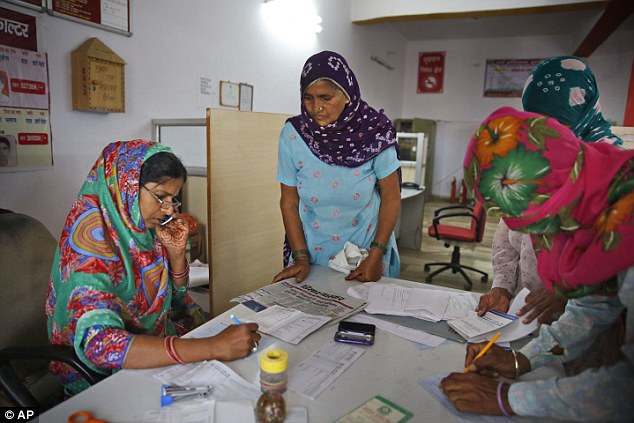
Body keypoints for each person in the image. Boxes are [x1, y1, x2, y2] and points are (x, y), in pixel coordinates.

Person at [441, 106, 634, 421]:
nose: (530, 237)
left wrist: (508, 398)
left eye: (533, 223)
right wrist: (521, 360)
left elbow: (627, 392)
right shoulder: (592, 204)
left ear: (556, 199)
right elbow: (594, 308)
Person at [46, 140, 260, 397]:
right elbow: (99, 344)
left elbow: (173, 297)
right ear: (125, 185)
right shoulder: (87, 249)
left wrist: (177, 255)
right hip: (101, 378)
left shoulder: (137, 229)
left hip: (152, 348)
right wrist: (212, 347)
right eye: (160, 197)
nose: (168, 209)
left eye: (173, 199)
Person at [477, 55, 623, 324]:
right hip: (523, 310)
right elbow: (507, 231)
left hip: (579, 322)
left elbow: (615, 266)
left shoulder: (615, 172)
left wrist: (567, 291)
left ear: (582, 112)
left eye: (556, 122)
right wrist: (503, 286)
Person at [272, 51, 401, 284]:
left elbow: (391, 198)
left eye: (325, 97)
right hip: (312, 256)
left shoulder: (375, 132)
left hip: (365, 254)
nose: (316, 107)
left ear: (347, 95)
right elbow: (289, 202)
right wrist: (300, 257)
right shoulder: (293, 135)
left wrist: (376, 254)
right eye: (308, 98)